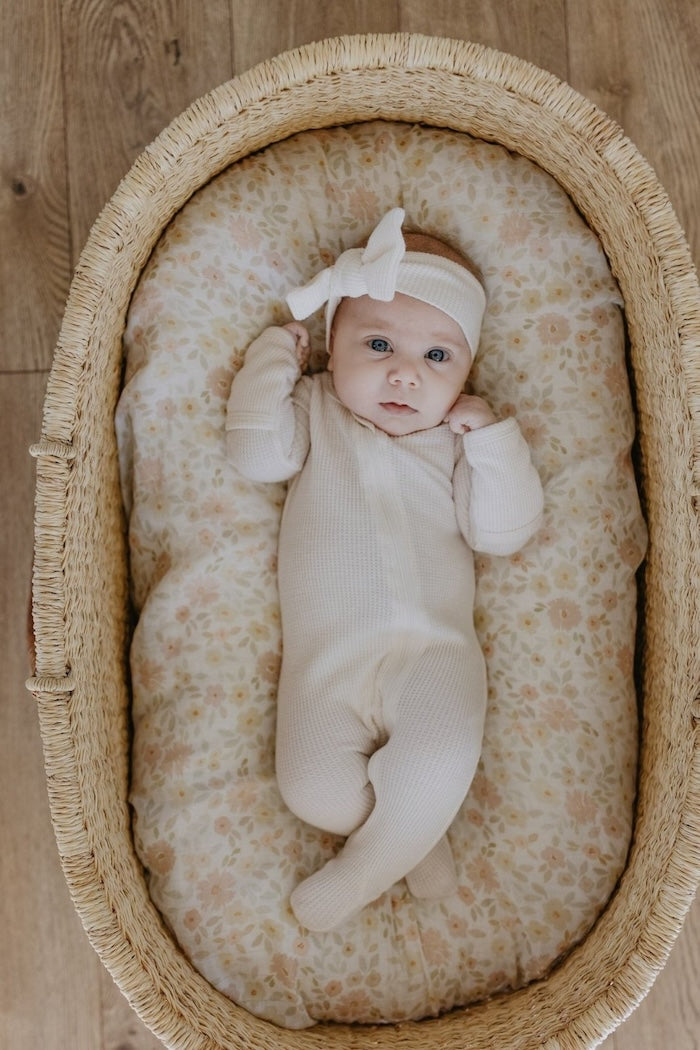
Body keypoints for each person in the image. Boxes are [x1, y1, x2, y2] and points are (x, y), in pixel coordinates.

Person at [225, 208, 544, 932]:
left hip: (436, 650)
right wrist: (271, 360)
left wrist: (495, 442)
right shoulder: (313, 411)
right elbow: (254, 453)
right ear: (330, 353)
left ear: (466, 372)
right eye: (377, 344)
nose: (405, 373)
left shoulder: (459, 440)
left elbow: (503, 533)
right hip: (327, 662)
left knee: (444, 748)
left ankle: (368, 867)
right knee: (313, 791)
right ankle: (409, 837)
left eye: (438, 358)